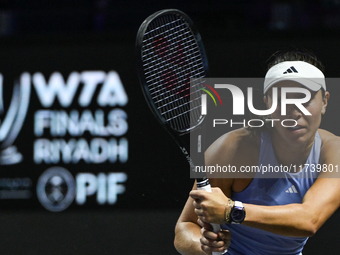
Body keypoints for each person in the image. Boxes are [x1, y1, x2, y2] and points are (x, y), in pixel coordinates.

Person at [174, 51, 340, 255]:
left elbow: (309, 219)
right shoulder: (233, 149)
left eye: (304, 99)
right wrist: (203, 244)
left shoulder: (333, 152)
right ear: (267, 105)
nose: (295, 111)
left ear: (324, 101)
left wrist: (231, 210)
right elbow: (184, 228)